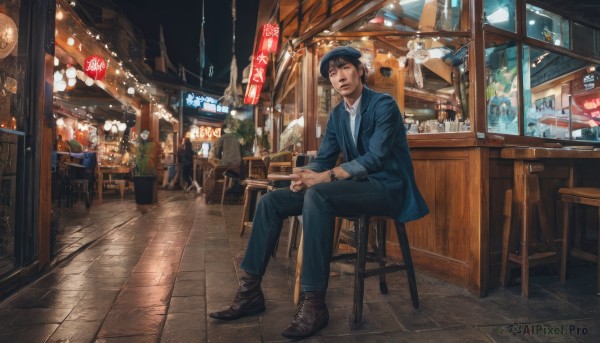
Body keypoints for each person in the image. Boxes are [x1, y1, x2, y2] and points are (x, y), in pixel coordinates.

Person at [209, 46, 429, 339]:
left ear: (360, 71)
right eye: (332, 73)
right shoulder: (338, 115)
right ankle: (249, 291)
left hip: (388, 187)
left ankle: (314, 304)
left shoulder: (384, 105)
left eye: (345, 68)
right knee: (272, 200)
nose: (340, 77)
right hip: (355, 187)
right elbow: (325, 158)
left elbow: (375, 158)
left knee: (319, 195)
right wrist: (303, 177)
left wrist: (327, 176)